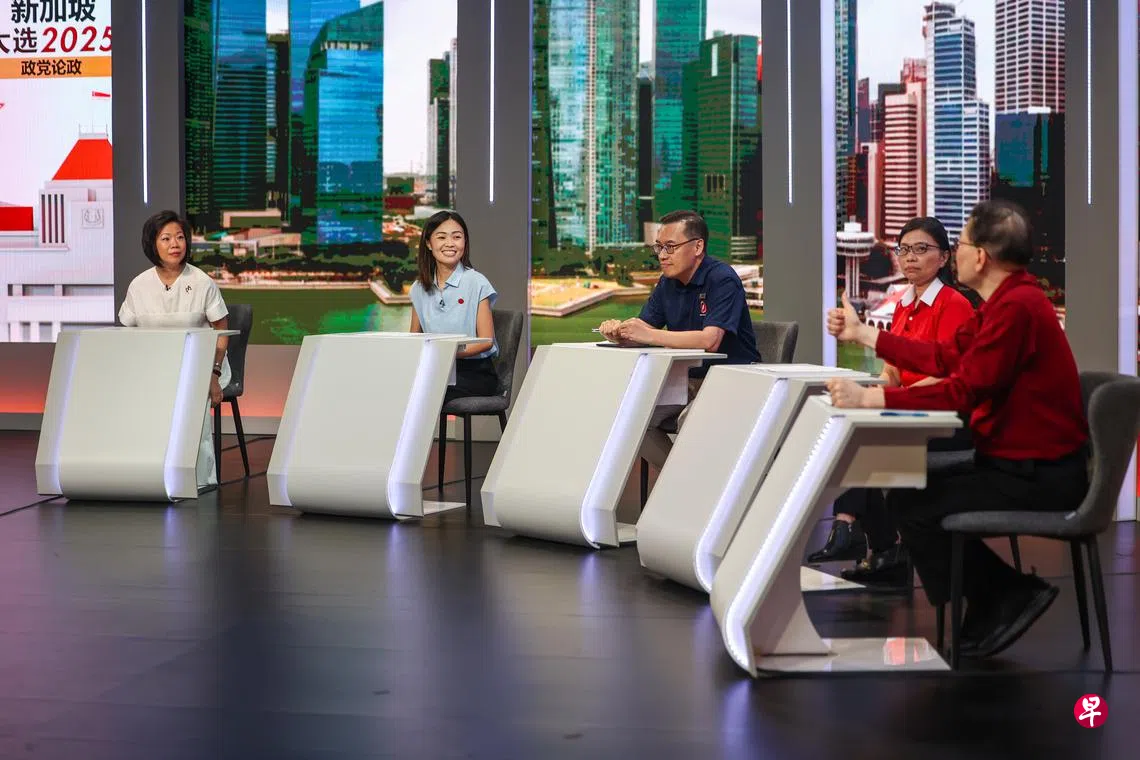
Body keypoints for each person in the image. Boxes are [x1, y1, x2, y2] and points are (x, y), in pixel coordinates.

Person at [825, 200, 1088, 658]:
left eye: (960, 245)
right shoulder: (1006, 302)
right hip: (1017, 464)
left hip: (1040, 474)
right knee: (908, 495)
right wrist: (865, 334)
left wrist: (873, 399)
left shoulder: (1016, 308)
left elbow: (963, 389)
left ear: (981, 256)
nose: (955, 253)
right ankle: (998, 596)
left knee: (916, 505)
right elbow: (945, 357)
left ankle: (1001, 596)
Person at [807, 217, 975, 586]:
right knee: (853, 428)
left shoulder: (954, 305)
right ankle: (877, 546)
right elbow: (892, 372)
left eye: (921, 249)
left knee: (865, 440)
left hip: (948, 420)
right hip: (911, 413)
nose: (910, 257)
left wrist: (886, 400)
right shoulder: (902, 305)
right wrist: (875, 393)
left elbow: (949, 378)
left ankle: (857, 532)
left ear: (944, 257)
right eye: (904, 250)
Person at [598, 209, 760, 468]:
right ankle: (674, 479)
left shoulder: (722, 279)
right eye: (659, 247)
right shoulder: (667, 283)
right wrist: (621, 334)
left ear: (698, 247)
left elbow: (710, 341)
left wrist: (649, 334)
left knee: (691, 422)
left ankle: (689, 482)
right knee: (629, 418)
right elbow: (644, 330)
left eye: (670, 247)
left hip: (732, 380)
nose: (662, 255)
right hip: (685, 380)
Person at [119, 210, 231, 492]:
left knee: (192, 395)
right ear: (152, 244)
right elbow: (128, 333)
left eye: (180, 237)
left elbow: (221, 332)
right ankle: (147, 473)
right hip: (155, 368)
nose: (175, 244)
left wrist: (213, 374)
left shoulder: (202, 281)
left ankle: (199, 478)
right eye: (166, 238)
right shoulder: (139, 285)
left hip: (202, 367)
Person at [409, 210, 498, 401]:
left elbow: (486, 341)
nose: (450, 243)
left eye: (457, 237)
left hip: (474, 372)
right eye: (441, 237)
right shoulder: (418, 288)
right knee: (399, 386)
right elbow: (414, 339)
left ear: (465, 242)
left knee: (423, 393)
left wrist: (448, 353)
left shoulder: (477, 282)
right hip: (436, 368)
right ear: (428, 243)